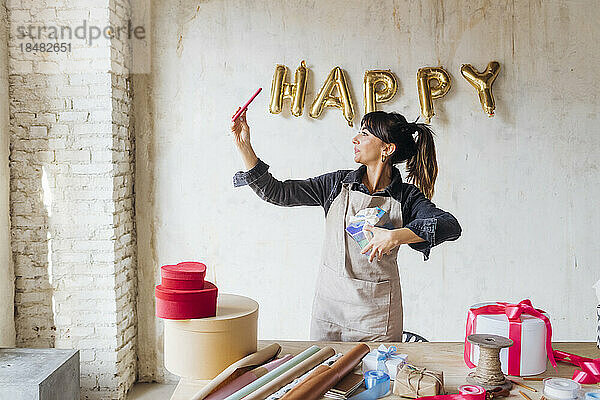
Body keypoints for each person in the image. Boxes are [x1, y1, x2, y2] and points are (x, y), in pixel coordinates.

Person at [230, 108, 461, 342]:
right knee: (324, 376)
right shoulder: (335, 185)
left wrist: (396, 236)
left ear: (387, 149)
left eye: (365, 134)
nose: (355, 139)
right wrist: (244, 147)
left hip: (378, 317)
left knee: (378, 378)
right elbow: (277, 192)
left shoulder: (406, 197)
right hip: (329, 312)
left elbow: (449, 226)